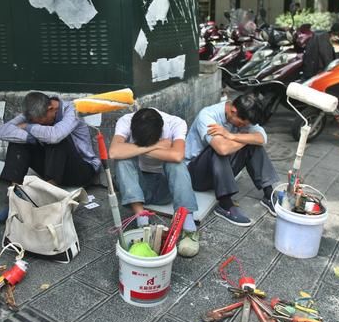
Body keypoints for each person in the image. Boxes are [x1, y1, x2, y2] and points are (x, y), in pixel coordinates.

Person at [109, 108, 200, 258]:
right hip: (138, 186)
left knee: (176, 163)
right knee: (122, 160)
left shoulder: (175, 123)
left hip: (164, 188)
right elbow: (113, 152)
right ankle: (142, 222)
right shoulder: (126, 121)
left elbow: (177, 155)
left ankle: (189, 227)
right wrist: (154, 146)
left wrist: (134, 149)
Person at [0, 92, 101, 222]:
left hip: (81, 169)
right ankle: (15, 197)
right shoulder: (34, 110)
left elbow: (55, 135)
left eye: (40, 122)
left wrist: (28, 127)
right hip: (55, 168)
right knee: (18, 140)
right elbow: (3, 131)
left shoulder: (73, 110)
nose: (40, 124)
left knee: (56, 138)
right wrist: (30, 137)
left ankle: (44, 196)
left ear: (51, 109)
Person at [185, 94, 279, 227]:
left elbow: (262, 138)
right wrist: (244, 137)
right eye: (241, 123)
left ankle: (268, 194)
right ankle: (225, 205)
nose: (242, 126)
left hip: (219, 172)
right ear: (233, 111)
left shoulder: (244, 115)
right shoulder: (207, 116)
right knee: (217, 149)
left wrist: (231, 136)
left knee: (253, 145)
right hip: (195, 174)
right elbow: (222, 148)